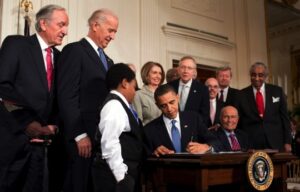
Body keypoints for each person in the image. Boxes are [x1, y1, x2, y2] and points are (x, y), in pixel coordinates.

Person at [0, 4, 69, 192]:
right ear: (43, 24)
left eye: (66, 26)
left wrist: (52, 126)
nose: (66, 31)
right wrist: (27, 123)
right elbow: (3, 86)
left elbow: (58, 98)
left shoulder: (60, 57)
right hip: (13, 141)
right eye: (61, 25)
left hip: (44, 148)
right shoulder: (17, 44)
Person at [56, 9, 118, 192]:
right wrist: (79, 134)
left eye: (115, 32)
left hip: (100, 140)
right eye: (110, 30)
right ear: (95, 25)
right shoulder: (74, 50)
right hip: (80, 141)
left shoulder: (109, 61)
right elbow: (67, 95)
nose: (113, 36)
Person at [92, 63, 144, 192]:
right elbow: (109, 143)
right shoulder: (114, 105)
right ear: (125, 83)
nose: (135, 91)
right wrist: (122, 178)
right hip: (115, 179)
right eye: (134, 86)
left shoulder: (119, 105)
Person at [144, 84, 217, 157]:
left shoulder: (193, 119)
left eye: (172, 102)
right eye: (164, 106)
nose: (169, 109)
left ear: (178, 97)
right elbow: (144, 157)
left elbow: (216, 142)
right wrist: (154, 154)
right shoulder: (149, 130)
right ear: (157, 105)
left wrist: (207, 147)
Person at [236, 62, 291, 152]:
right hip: (251, 144)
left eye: (260, 75)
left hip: (276, 142)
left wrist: (287, 142)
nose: (257, 78)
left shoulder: (277, 91)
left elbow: (285, 118)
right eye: (254, 75)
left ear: (266, 76)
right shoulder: (241, 95)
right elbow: (238, 122)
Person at [168, 56, 210, 125]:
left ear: (194, 71)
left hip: (193, 130)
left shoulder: (203, 89)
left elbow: (204, 116)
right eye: (183, 67)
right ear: (178, 69)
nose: (185, 71)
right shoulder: (169, 86)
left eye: (189, 68)